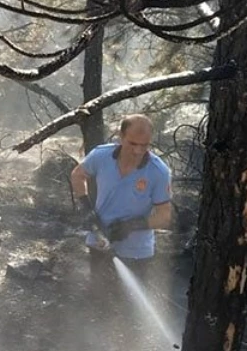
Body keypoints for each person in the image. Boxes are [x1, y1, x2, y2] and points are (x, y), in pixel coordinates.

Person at [69, 114, 172, 276]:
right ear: (121, 137)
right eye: (132, 144)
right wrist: (87, 208)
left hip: (136, 252)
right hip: (99, 241)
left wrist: (131, 226)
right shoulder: (101, 156)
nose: (138, 151)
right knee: (96, 296)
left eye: (144, 145)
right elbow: (77, 175)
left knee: (127, 300)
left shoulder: (158, 172)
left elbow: (164, 216)